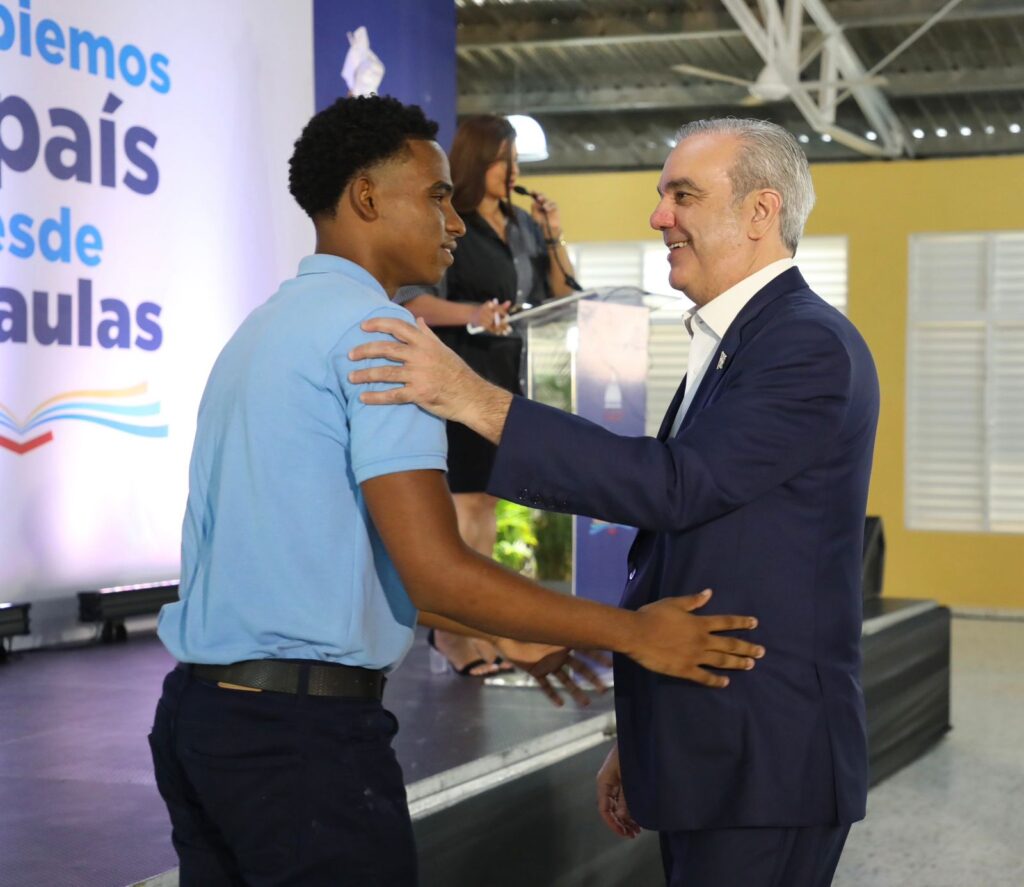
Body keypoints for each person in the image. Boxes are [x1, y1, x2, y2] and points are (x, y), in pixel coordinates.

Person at [148, 97, 766, 887]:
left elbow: (346, 570)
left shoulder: (261, 331)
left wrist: (511, 632)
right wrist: (633, 633)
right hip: (300, 748)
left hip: (201, 726)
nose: (454, 219)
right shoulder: (384, 342)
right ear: (367, 199)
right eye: (437, 195)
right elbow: (435, 569)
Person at [349, 117, 880, 887]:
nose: (660, 216)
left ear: (762, 212)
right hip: (713, 745)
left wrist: (475, 398)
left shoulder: (806, 345)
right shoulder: (744, 341)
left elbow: (674, 486)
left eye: (683, 195)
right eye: (662, 195)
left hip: (765, 760)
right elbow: (692, 550)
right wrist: (641, 733)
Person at [392, 114, 578, 676]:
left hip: (506, 380)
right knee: (466, 506)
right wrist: (474, 313)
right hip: (456, 376)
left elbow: (564, 294)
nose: (514, 170)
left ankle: (473, 628)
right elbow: (415, 302)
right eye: (504, 159)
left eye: (516, 159)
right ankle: (454, 635)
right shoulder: (452, 223)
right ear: (479, 161)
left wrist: (553, 234)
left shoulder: (522, 226)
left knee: (485, 506)